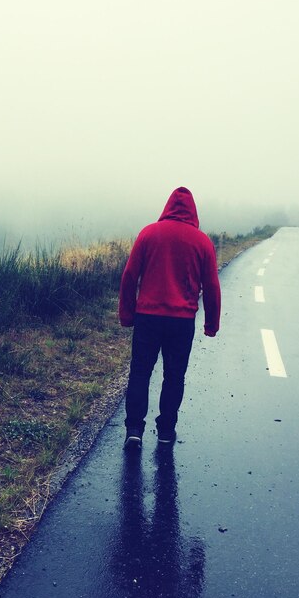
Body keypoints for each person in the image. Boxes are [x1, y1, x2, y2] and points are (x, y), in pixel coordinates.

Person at [119, 186, 221, 448]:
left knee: (140, 372)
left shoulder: (148, 233)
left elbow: (130, 276)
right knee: (174, 376)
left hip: (148, 318)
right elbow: (211, 286)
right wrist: (211, 324)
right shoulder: (202, 242)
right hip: (182, 321)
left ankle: (134, 429)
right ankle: (165, 431)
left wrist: (127, 314)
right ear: (193, 211)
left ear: (167, 207)